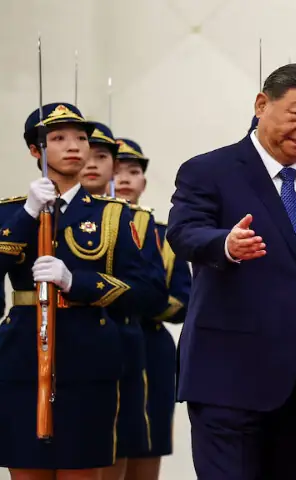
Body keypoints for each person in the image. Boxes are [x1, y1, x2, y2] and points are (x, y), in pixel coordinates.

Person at [167, 63, 296, 479]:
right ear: (262, 105)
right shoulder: (209, 170)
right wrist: (224, 244)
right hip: (228, 376)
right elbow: (184, 232)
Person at [0, 102, 166, 479]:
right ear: (35, 151)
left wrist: (79, 282)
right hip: (22, 358)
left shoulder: (117, 215)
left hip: (88, 359)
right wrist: (27, 214)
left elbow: (151, 293)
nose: (73, 146)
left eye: (80, 138)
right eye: (58, 138)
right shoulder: (8, 213)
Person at [80, 127, 169, 480]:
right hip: (71, 338)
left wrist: (90, 289)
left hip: (136, 337)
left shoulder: (140, 223)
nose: (125, 179)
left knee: (130, 439)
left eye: (133, 172)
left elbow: (160, 293)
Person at [113, 138, 191, 480]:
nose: (124, 179)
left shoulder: (162, 236)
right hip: (100, 336)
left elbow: (182, 300)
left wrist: (141, 301)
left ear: (144, 182)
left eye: (133, 172)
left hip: (151, 347)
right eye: (116, 171)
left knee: (148, 438)